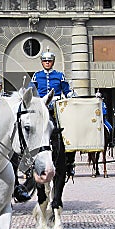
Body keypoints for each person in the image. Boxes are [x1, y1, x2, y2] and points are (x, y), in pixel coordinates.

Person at [28, 48, 76, 178]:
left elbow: (66, 91)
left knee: (68, 131)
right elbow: (31, 91)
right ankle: (28, 163)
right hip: (41, 107)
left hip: (56, 108)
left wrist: (72, 95)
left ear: (53, 62)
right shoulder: (37, 76)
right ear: (42, 62)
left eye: (49, 61)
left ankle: (69, 162)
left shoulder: (60, 75)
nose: (47, 63)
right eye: (45, 61)